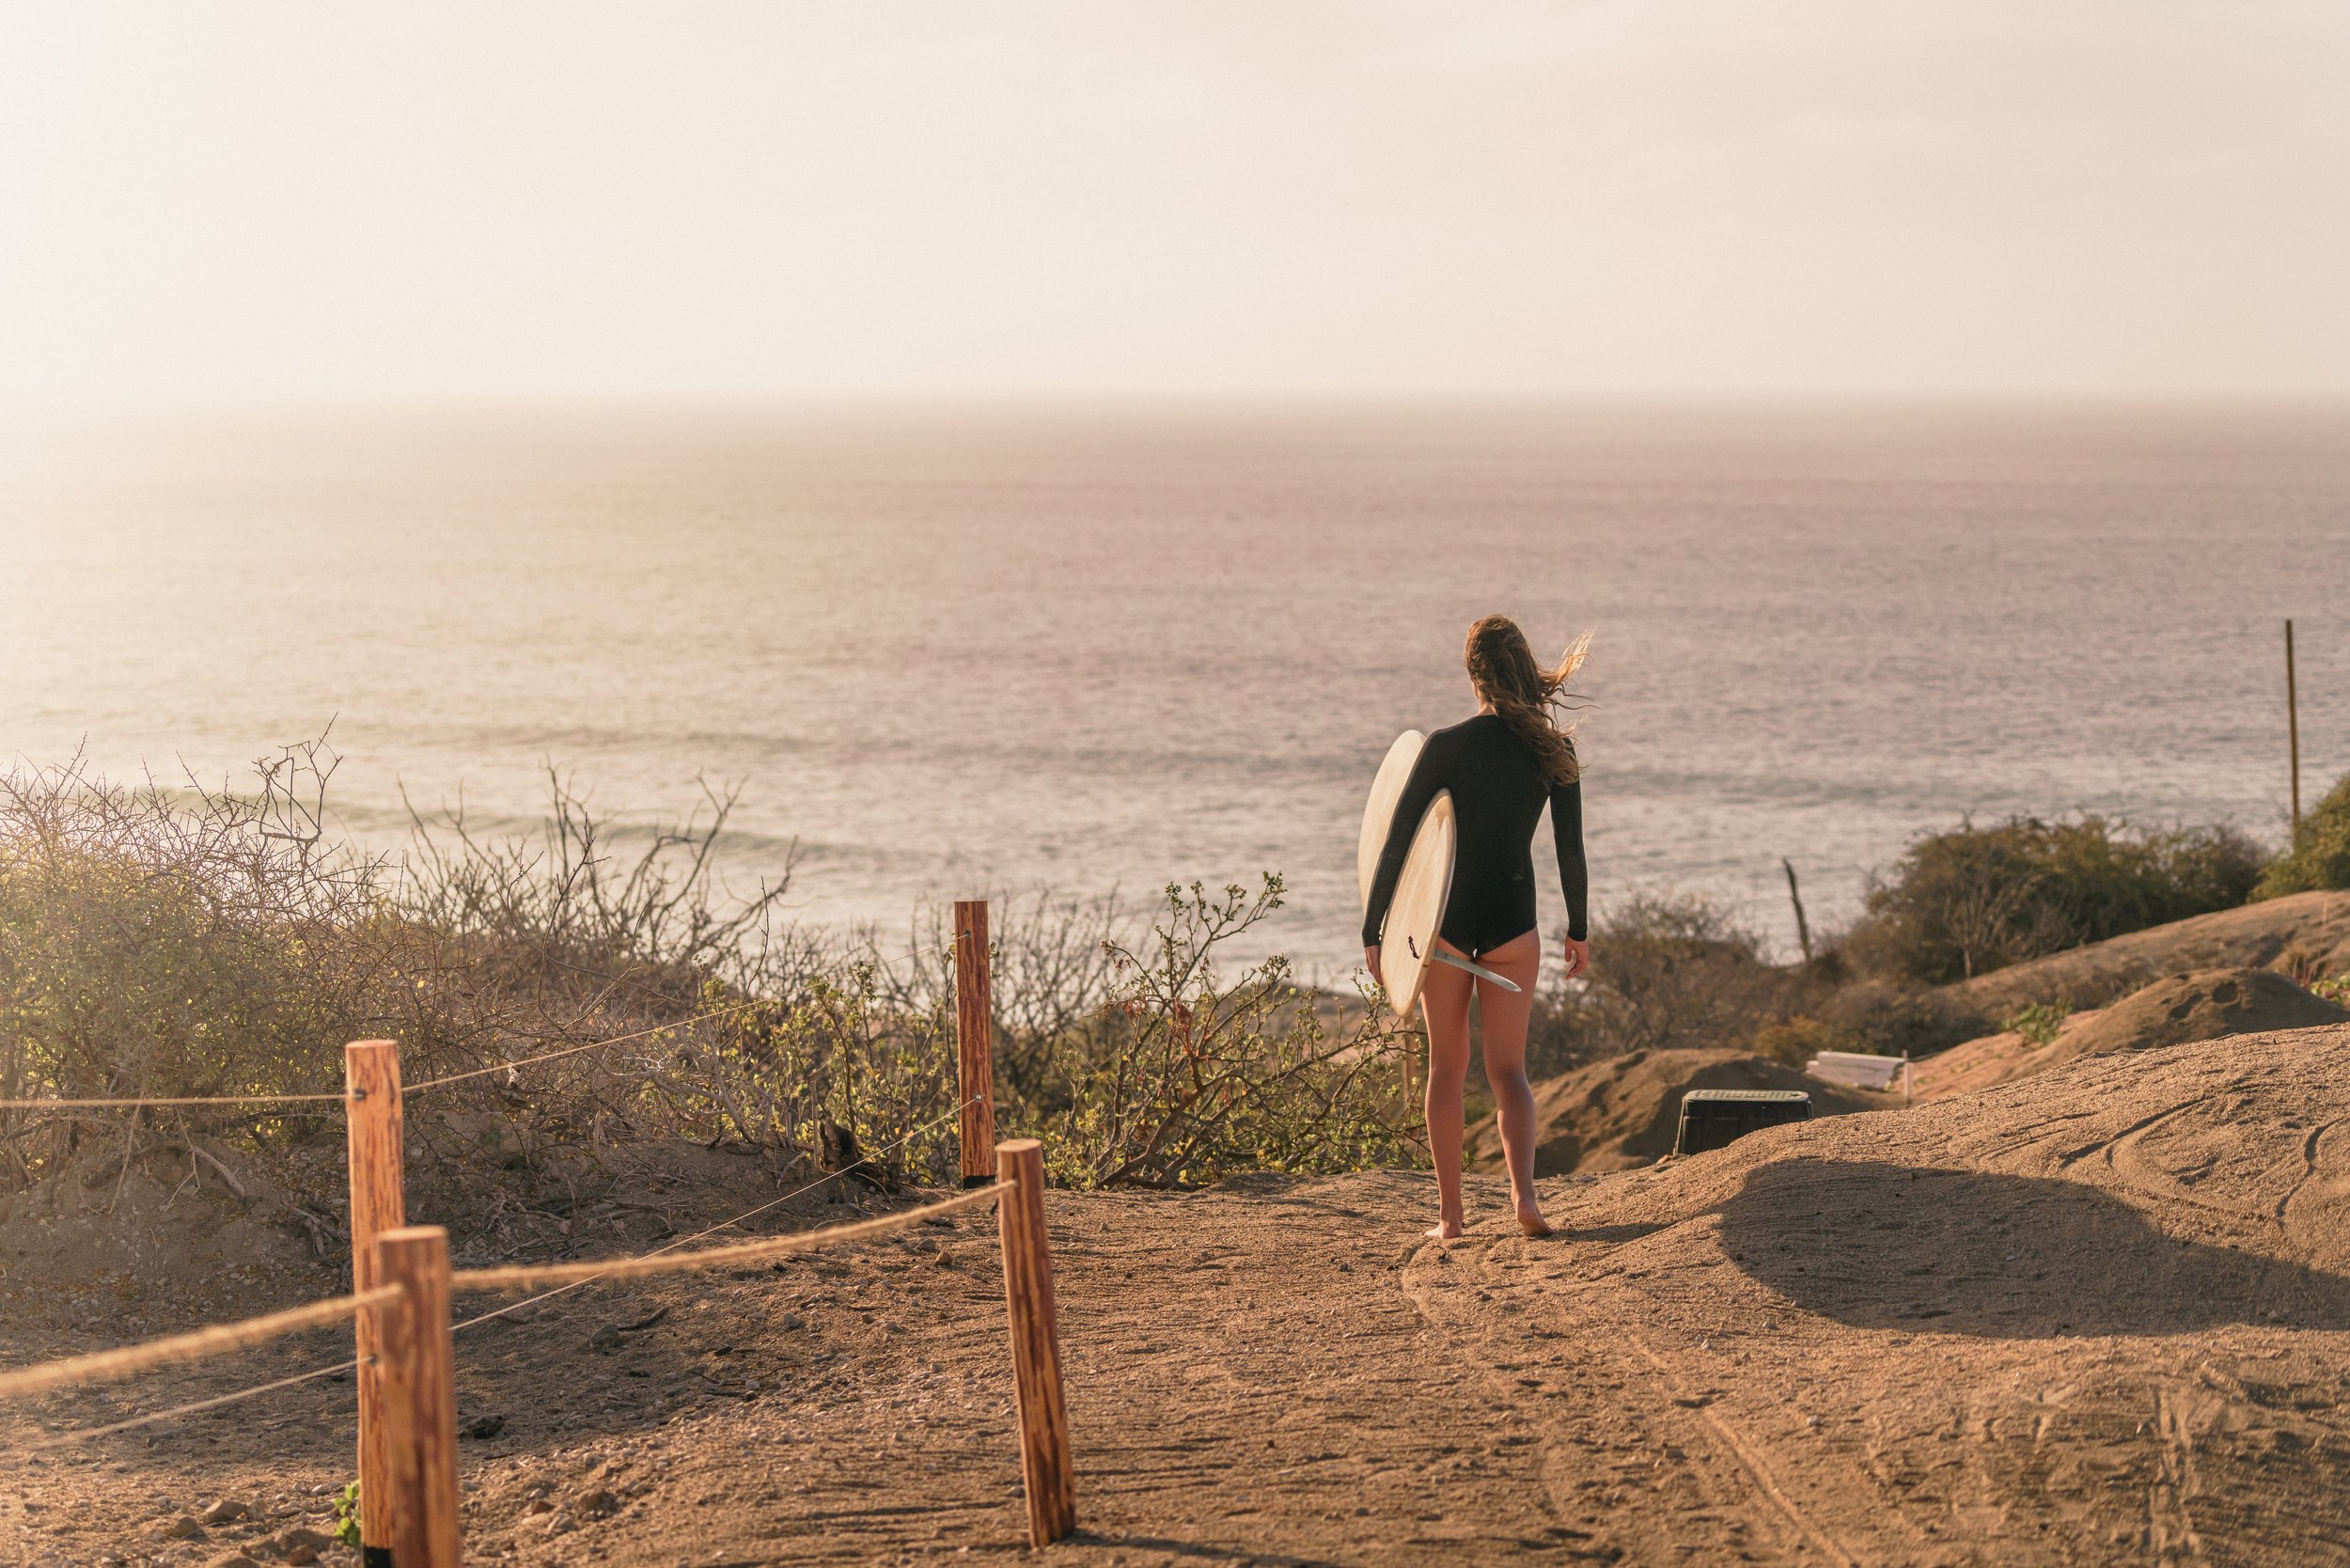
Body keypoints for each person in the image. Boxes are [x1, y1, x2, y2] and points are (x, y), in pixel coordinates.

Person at [1362, 615, 1590, 1240]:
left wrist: (1375, 928)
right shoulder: (1553, 750)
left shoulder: (1447, 746)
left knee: (1446, 1070)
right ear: (1523, 667)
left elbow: (1396, 845)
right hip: (1514, 929)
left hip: (1446, 929)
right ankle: (1525, 1200)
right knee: (1509, 1073)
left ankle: (1451, 1218)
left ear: (1473, 675)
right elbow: (1571, 851)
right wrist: (1579, 929)